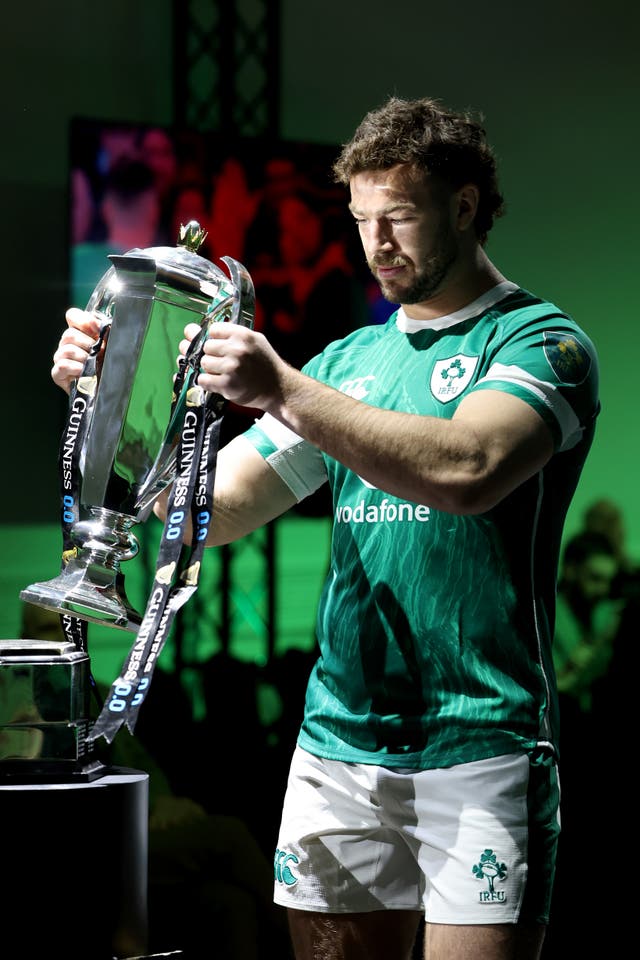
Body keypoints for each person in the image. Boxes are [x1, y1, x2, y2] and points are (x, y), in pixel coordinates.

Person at [51, 96, 601, 960]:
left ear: (465, 207)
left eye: (401, 217)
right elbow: (217, 511)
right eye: (361, 219)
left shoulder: (540, 343)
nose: (375, 243)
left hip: (483, 746)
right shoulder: (346, 364)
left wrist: (284, 391)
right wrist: (117, 402)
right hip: (338, 747)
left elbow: (470, 468)